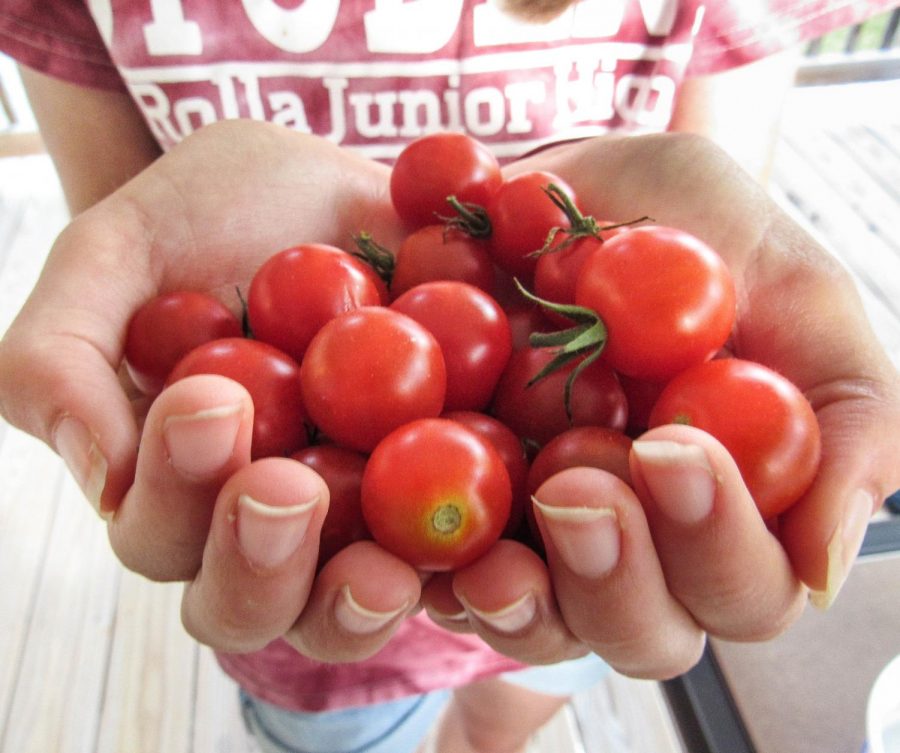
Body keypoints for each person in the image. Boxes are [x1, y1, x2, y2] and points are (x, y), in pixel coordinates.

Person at [0, 3, 898, 753]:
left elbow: (708, 250)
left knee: (523, 689)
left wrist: (618, 270)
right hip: (308, 632)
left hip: (578, 577)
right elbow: (139, 288)